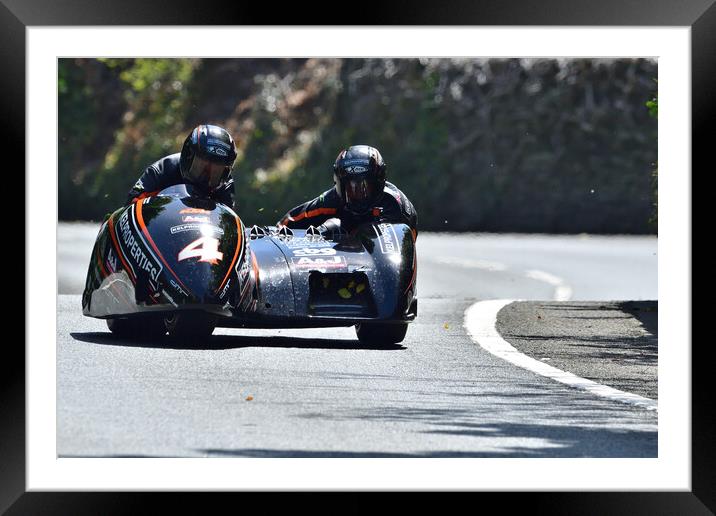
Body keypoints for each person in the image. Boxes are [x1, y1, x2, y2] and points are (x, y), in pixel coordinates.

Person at [278, 145, 417, 236]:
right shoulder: (332, 199)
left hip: (382, 261)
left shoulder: (396, 205)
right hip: (340, 263)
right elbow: (289, 220)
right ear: (339, 186)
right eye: (351, 188)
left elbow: (408, 249)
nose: (358, 194)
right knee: (331, 227)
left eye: (365, 187)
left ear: (379, 182)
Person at [126, 124, 238, 207]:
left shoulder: (225, 186)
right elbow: (131, 207)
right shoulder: (163, 170)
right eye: (201, 166)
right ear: (187, 157)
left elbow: (227, 223)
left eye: (215, 172)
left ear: (225, 172)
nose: (205, 177)